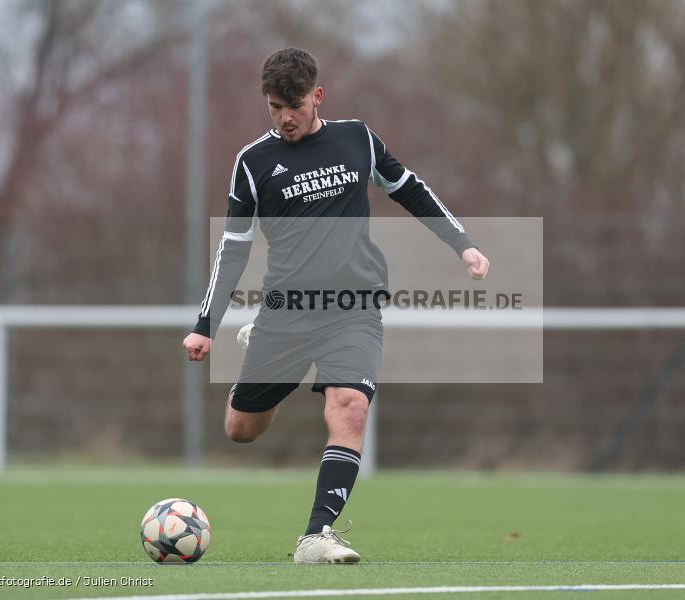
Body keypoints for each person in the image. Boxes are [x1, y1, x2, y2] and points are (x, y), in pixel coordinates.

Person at [182, 48, 489, 563]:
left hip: (354, 304)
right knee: (241, 430)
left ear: (317, 96)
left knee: (349, 406)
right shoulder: (252, 163)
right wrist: (205, 324)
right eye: (275, 106)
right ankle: (259, 346)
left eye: (294, 105)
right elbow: (232, 247)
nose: (285, 117)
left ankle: (316, 536)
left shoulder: (357, 139)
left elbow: (410, 190)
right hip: (286, 310)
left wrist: (463, 243)